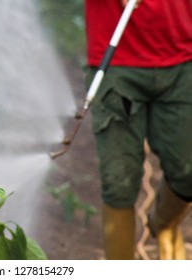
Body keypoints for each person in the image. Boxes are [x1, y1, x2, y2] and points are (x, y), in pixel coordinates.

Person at [85, 0, 192, 259]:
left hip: (184, 56)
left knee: (187, 173)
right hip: (117, 60)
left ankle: (165, 225)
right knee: (118, 184)